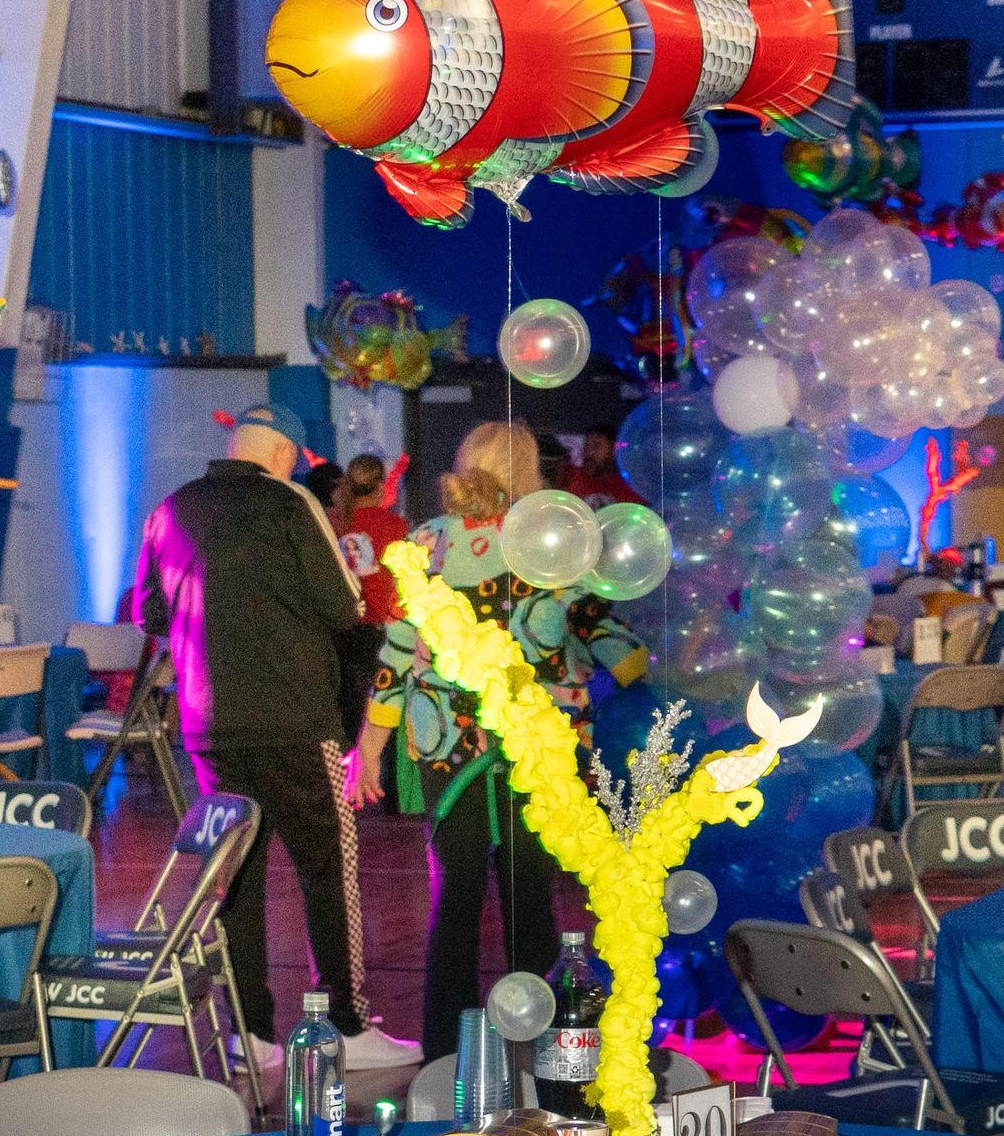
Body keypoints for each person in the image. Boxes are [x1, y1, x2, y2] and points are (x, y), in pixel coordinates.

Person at [135, 401, 414, 1077]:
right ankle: (344, 1025)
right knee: (327, 866)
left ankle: (250, 1034)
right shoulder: (291, 505)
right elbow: (341, 604)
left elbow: (147, 611)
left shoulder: (169, 510)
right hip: (294, 718)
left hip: (207, 723)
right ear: (286, 453)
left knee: (236, 880)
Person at [367, 420, 647, 1064]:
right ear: (530, 471)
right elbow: (594, 625)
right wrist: (646, 678)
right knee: (530, 897)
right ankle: (552, 1053)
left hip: (447, 744)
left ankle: (445, 1055)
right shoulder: (550, 540)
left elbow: (400, 650)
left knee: (455, 900)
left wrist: (372, 747)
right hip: (538, 742)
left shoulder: (429, 543)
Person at [336, 450, 408, 629]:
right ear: (381, 486)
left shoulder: (337, 524)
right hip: (388, 620)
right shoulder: (396, 525)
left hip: (350, 621)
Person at [569, 427, 638, 507]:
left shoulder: (632, 487)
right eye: (586, 447)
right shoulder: (573, 478)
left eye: (596, 446)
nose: (589, 453)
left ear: (613, 450)